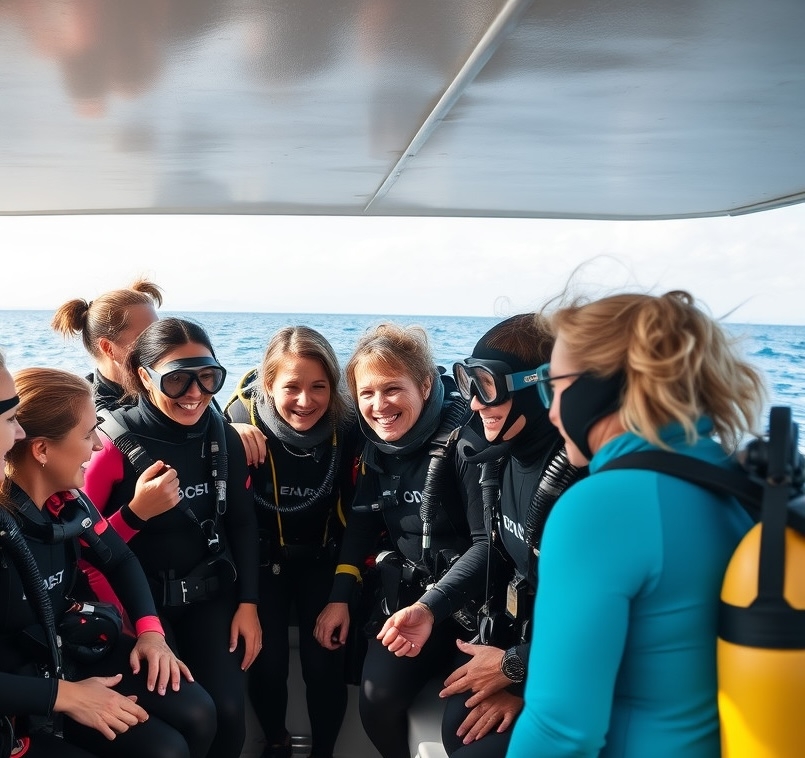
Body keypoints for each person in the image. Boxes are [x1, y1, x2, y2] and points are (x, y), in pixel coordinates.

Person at [506, 290, 765, 758]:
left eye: (554, 385)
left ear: (600, 387)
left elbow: (560, 731)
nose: (550, 410)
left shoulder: (601, 508)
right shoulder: (742, 483)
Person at [376, 314, 583, 757]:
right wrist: (430, 607)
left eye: (488, 386)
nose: (474, 403)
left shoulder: (577, 481)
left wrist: (516, 671)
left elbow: (600, 621)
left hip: (573, 666)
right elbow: (492, 547)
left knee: (472, 744)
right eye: (467, 382)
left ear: (542, 386)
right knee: (458, 724)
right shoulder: (500, 459)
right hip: (533, 644)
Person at [0, 360, 216, 758]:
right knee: (164, 751)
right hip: (23, 682)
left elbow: (119, 560)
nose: (99, 445)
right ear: (42, 449)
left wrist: (151, 633)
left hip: (65, 650)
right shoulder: (6, 526)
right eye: (88, 435)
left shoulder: (69, 502)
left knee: (200, 713)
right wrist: (67, 696)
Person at [82, 317, 261, 758]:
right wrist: (135, 514)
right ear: (144, 376)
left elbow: (241, 523)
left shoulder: (224, 437)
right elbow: (81, 545)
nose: (195, 394)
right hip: (137, 608)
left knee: (230, 716)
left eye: (208, 378)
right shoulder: (111, 444)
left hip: (209, 597)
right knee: (188, 722)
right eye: (177, 380)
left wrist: (249, 604)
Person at [313, 322, 487, 758]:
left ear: (425, 385)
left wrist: (433, 605)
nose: (379, 405)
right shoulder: (375, 447)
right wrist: (338, 598)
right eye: (366, 394)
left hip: (474, 611)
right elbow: (360, 525)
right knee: (377, 699)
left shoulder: (465, 444)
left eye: (392, 389)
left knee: (462, 729)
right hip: (410, 604)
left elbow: (489, 545)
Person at [223, 326, 360, 758]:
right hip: (263, 564)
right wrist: (229, 430)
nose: (306, 401)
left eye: (319, 387)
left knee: (324, 667)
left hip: (325, 561)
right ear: (268, 385)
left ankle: (323, 752)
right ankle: (277, 743)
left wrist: (342, 594)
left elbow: (361, 514)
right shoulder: (240, 420)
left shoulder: (349, 424)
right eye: (291, 387)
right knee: (268, 665)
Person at [51, 279, 163, 411]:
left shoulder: (170, 387)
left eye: (159, 334)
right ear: (108, 348)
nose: (160, 345)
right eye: (145, 337)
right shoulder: (83, 411)